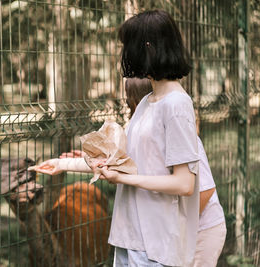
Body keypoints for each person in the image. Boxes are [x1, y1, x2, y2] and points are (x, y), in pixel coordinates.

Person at [31, 10, 202, 266]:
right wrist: (63, 164)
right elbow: (124, 161)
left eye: (127, 46)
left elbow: (184, 183)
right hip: (128, 237)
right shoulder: (147, 102)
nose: (123, 54)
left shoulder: (176, 104)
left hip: (155, 245)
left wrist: (123, 178)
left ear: (147, 48)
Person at [60, 78, 226, 267]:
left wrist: (177, 227)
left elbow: (205, 190)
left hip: (203, 229)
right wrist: (75, 160)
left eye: (128, 99)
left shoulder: (180, 131)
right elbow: (125, 160)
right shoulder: (142, 131)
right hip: (168, 233)